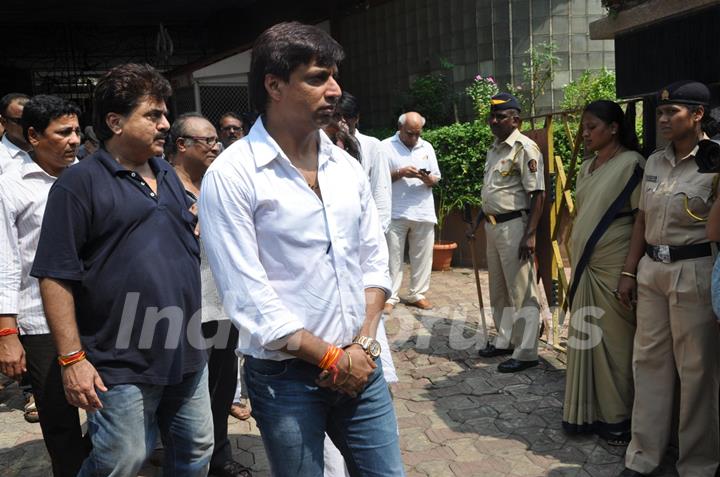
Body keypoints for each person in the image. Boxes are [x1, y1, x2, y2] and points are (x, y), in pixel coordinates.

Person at [199, 22, 404, 477]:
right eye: (317, 77)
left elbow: (374, 262)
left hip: (360, 362)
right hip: (285, 377)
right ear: (274, 85)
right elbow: (248, 297)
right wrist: (331, 358)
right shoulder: (233, 175)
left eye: (334, 76)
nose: (335, 90)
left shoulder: (344, 166)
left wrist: (363, 345)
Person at [30, 63, 213, 477]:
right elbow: (55, 275)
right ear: (115, 121)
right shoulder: (78, 185)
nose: (165, 124)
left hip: (185, 346)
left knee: (196, 450)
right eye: (153, 115)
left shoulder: (167, 173)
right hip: (120, 357)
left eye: (165, 114)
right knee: (122, 460)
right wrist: (72, 358)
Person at [617, 81, 720, 477]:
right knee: (648, 363)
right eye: (660, 112)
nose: (662, 118)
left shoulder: (715, 161)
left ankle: (697, 464)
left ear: (697, 115)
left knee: (697, 371)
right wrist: (630, 269)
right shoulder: (656, 161)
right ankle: (643, 456)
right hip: (652, 271)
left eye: (671, 112)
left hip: (695, 269)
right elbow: (642, 218)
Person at [0, 94, 88, 476]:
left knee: (109, 403)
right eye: (63, 132)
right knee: (58, 414)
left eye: (77, 131)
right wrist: (7, 331)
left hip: (95, 311)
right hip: (40, 322)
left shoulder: (89, 176)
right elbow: (5, 262)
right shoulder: (11, 187)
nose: (74, 140)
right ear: (34, 136)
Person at [169, 112, 252, 477]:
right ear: (182, 145)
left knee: (221, 388)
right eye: (208, 141)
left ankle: (219, 457)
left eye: (216, 140)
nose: (216, 146)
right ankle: (185, 460)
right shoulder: (162, 186)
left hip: (221, 304)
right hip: (182, 310)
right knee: (185, 394)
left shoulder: (217, 183)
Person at [561, 100, 644, 446]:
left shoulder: (632, 164)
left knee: (615, 343)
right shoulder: (586, 167)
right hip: (586, 264)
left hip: (613, 265)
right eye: (584, 127)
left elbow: (642, 219)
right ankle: (588, 412)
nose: (586, 133)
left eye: (592, 126)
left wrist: (628, 273)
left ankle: (619, 417)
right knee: (588, 337)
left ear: (613, 128)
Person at [477, 92, 545, 373]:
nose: (494, 121)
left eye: (500, 116)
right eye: (492, 116)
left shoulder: (525, 148)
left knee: (521, 289)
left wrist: (530, 235)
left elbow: (538, 194)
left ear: (515, 119)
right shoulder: (495, 148)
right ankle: (505, 339)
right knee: (499, 289)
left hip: (515, 226)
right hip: (493, 227)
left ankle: (527, 350)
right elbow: (494, 190)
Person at [382, 111, 441, 312]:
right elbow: (378, 179)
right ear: (400, 128)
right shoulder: (385, 147)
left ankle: (418, 293)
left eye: (417, 134)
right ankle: (390, 297)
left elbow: (436, 178)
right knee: (393, 258)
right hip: (395, 210)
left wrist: (427, 178)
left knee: (423, 256)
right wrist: (400, 173)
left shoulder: (427, 147)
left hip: (423, 210)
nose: (415, 138)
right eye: (410, 134)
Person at [337, 92, 392, 233]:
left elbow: (380, 191)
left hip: (363, 229)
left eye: (347, 116)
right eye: (337, 116)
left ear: (357, 118)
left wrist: (378, 231)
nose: (342, 121)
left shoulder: (372, 146)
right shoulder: (318, 144)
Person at [0, 93, 31, 174]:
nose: (28, 126)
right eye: (21, 121)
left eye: (32, 120)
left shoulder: (49, 148)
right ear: (3, 122)